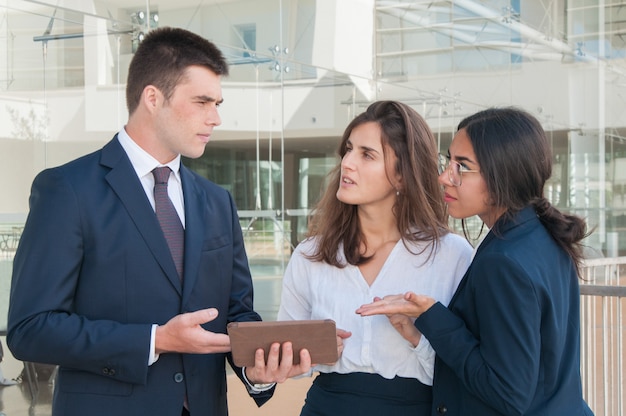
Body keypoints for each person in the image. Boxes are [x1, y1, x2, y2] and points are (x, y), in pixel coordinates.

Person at [6, 27, 309, 416]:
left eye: (217, 103)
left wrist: (257, 367)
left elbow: (236, 314)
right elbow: (31, 329)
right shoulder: (67, 190)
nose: (215, 118)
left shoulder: (217, 202)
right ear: (152, 97)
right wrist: (155, 340)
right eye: (202, 102)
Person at [357, 107, 594, 415]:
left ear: (502, 174)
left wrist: (433, 317)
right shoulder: (540, 236)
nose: (445, 176)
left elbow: (508, 394)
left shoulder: (504, 262)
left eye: (462, 166)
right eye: (448, 161)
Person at [277, 100, 473, 415]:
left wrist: (418, 338)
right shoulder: (310, 255)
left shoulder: (453, 256)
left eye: (367, 155)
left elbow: (471, 368)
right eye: (348, 149)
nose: (347, 163)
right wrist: (299, 356)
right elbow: (287, 359)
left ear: (402, 175)